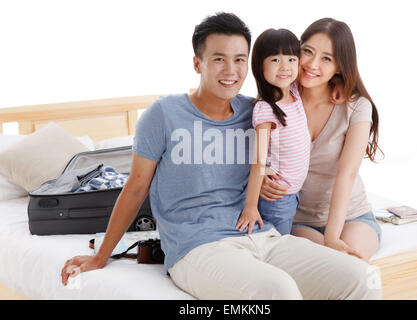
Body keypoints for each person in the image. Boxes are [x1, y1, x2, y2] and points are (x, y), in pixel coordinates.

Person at [61, 12, 381, 300]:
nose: (230, 70)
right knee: (279, 290)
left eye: (240, 59)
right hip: (199, 247)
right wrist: (101, 255)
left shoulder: (255, 110)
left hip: (262, 236)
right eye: (219, 59)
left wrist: (338, 86)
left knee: (362, 279)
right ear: (197, 63)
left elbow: (295, 88)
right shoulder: (163, 114)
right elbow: (135, 187)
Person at [260, 18, 383, 262]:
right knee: (324, 266)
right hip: (299, 220)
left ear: (339, 66)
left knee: (350, 266)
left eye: (327, 58)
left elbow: (346, 174)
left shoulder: (356, 106)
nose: (313, 64)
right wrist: (261, 176)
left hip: (351, 217)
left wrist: (333, 238)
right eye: (308, 52)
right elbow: (257, 153)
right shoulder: (277, 99)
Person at [236, 29, 310, 235]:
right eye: (275, 60)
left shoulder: (294, 93)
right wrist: (250, 206)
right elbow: (258, 161)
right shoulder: (266, 108)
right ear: (260, 65)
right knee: (278, 247)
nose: (285, 67)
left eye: (291, 59)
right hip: (277, 199)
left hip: (293, 195)